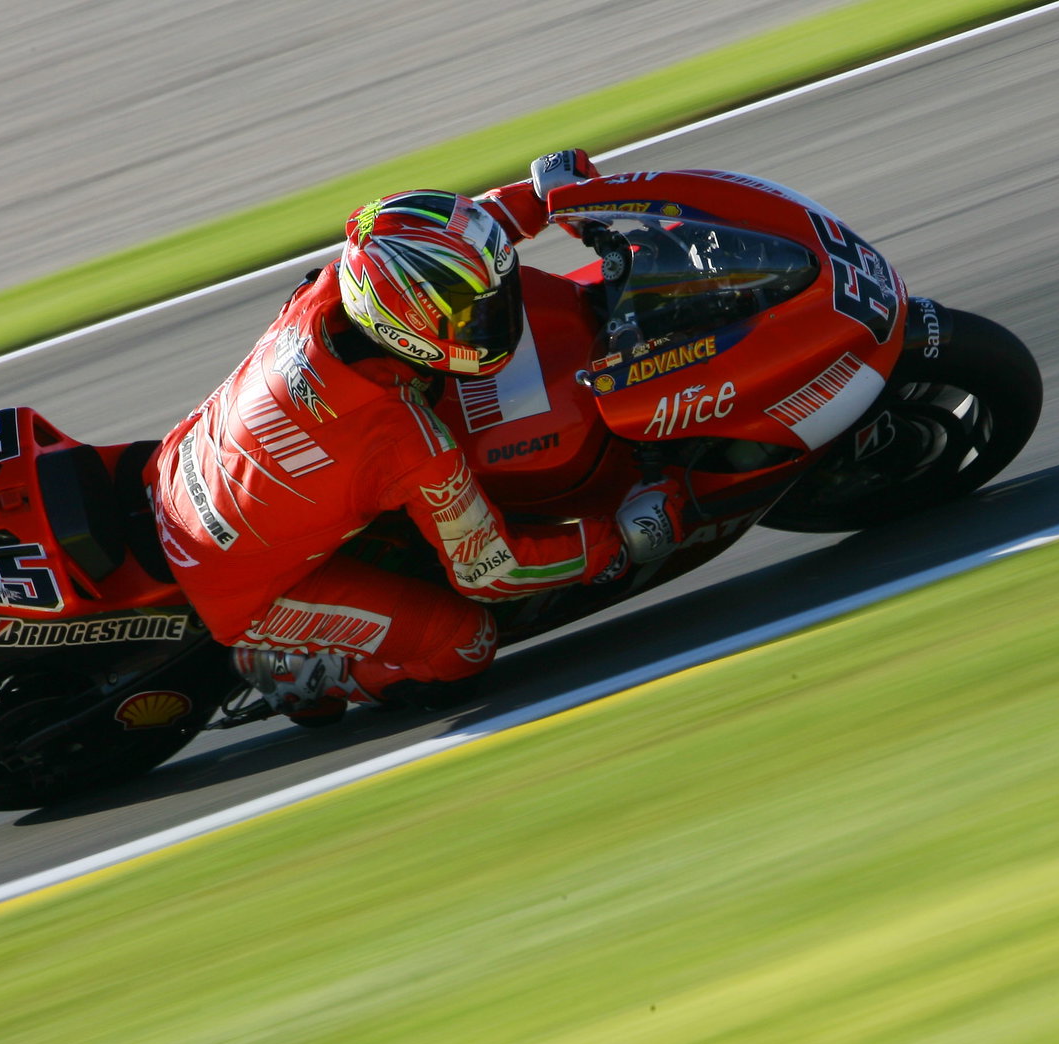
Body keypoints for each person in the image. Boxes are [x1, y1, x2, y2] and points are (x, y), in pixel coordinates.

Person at [147, 151, 683, 722]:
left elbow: (444, 249)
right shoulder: (404, 441)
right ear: (406, 329)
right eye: (470, 316)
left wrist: (538, 198)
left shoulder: (333, 290)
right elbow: (493, 571)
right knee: (463, 644)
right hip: (235, 586)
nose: (492, 316)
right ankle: (301, 670)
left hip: (180, 469)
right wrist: (615, 543)